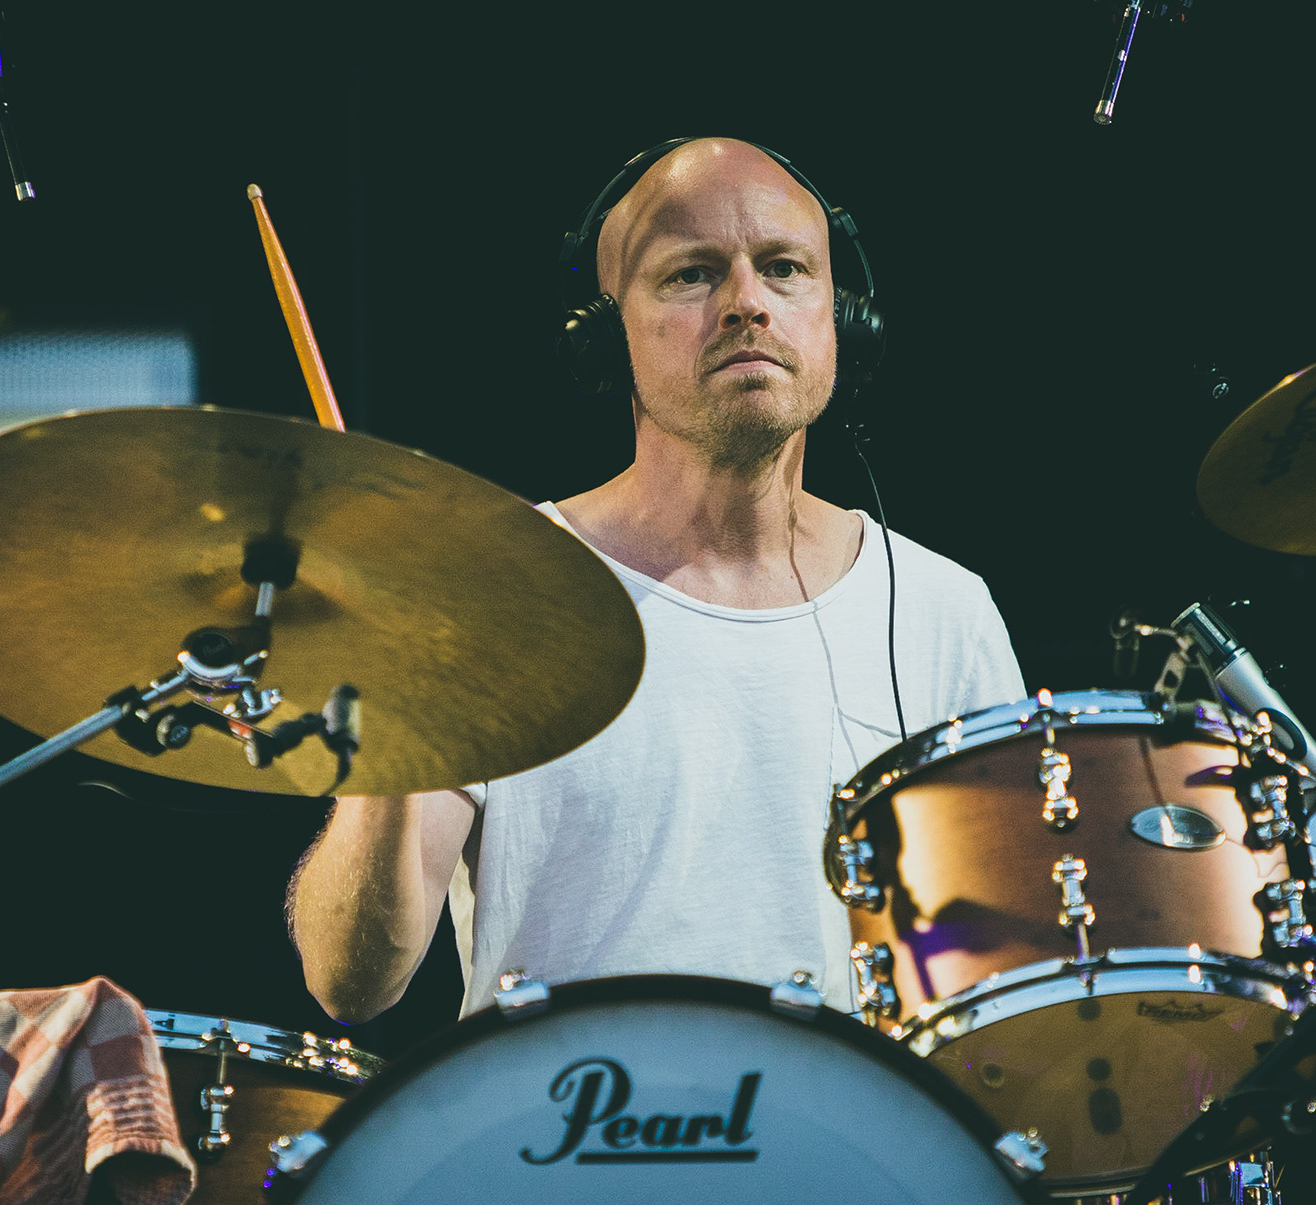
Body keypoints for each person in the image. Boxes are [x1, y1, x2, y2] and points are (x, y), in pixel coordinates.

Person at [288, 138, 1024, 1023]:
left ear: (843, 319)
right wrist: (391, 717)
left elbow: (1006, 975)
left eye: (785, 269)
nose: (748, 302)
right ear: (606, 338)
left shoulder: (944, 614)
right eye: (692, 275)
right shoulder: (496, 589)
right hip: (567, 1111)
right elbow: (351, 982)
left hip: (842, 1115)